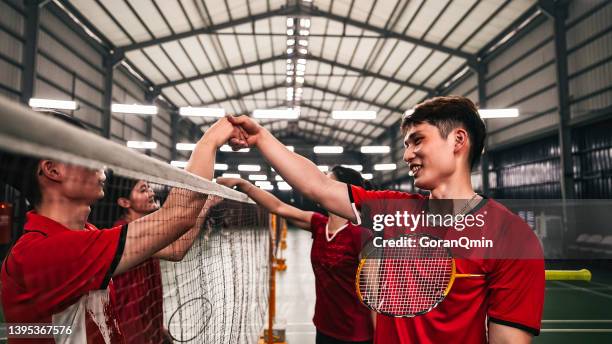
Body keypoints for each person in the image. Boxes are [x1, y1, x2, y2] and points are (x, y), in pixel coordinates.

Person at [224, 96, 545, 344]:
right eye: (406, 145)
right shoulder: (391, 211)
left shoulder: (512, 237)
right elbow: (318, 186)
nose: (407, 156)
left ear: (458, 141)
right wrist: (262, 138)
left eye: (418, 140)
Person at [1, 111, 238, 343]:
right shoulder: (41, 253)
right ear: (53, 170)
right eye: (85, 154)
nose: (99, 163)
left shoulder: (89, 233)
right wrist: (210, 141)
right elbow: (178, 215)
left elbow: (175, 247)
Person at [217, 165, 375, 344]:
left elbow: (374, 296)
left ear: (343, 192)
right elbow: (278, 207)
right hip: (324, 328)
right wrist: (244, 185)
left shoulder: (362, 234)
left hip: (355, 335)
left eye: (326, 183)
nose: (319, 187)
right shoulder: (319, 224)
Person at [109, 178, 221, 344]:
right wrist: (205, 205)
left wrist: (156, 326)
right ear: (125, 202)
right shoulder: (124, 232)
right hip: (129, 333)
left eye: (150, 188)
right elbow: (177, 249)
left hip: (147, 327)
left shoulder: (149, 229)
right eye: (143, 190)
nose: (151, 193)